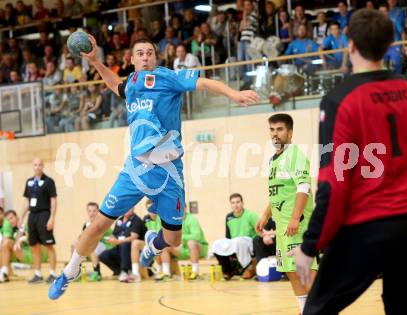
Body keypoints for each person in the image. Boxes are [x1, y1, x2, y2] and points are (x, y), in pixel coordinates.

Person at [49, 35, 259, 299]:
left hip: (169, 170)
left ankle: (153, 245)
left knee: (174, 240)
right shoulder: (133, 83)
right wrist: (95, 61)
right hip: (136, 169)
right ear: (133, 59)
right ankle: (70, 270)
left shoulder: (167, 77)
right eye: (140, 53)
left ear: (155, 57)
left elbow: (203, 82)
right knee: (97, 225)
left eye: (150, 52)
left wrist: (233, 94)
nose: (145, 57)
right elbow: (115, 84)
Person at [293, 9, 407, 315]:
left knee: (317, 309)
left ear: (350, 45)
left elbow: (333, 183)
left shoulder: (339, 100)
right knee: (405, 308)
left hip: (367, 225)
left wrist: (310, 245)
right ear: (389, 45)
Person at [256, 113, 317, 314]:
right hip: (282, 228)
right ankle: (304, 310)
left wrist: (294, 218)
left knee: (305, 272)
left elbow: (303, 188)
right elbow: (279, 192)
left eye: (280, 129)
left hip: (298, 225)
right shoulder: (274, 159)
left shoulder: (295, 155)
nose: (275, 134)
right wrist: (266, 215)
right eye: (272, 129)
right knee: (291, 272)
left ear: (289, 132)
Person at [20, 158, 58, 284]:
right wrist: (21, 217)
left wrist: (52, 217)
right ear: (33, 166)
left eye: (40, 164)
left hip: (44, 214)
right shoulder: (29, 182)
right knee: (34, 245)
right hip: (32, 216)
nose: (37, 167)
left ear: (43, 166)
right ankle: (37, 273)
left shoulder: (48, 181)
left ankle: (52, 273)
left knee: (48, 244)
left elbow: (53, 200)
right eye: (35, 164)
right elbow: (26, 201)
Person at [212, 193, 259, 280]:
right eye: (233, 203)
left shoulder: (251, 215)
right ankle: (227, 271)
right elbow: (228, 235)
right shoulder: (229, 217)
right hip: (234, 241)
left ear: (242, 203)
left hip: (249, 241)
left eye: (238, 202)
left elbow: (259, 230)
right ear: (230, 204)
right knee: (217, 244)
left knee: (238, 241)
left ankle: (249, 267)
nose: (235, 205)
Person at [158, 209, 208, 281]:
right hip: (182, 249)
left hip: (199, 248)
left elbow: (197, 236)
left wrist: (180, 237)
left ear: (185, 209)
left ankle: (195, 272)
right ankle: (166, 273)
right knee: (164, 246)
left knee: (191, 243)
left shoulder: (192, 219)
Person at [98, 208, 144, 282]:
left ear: (133, 209)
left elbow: (134, 237)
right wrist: (110, 239)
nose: (127, 210)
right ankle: (120, 272)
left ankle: (125, 271)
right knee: (103, 255)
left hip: (131, 249)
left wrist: (119, 241)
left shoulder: (136, 220)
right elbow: (114, 234)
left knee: (124, 244)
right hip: (119, 247)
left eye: (129, 208)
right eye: (126, 208)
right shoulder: (120, 220)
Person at [74, 202, 113, 282]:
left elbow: (96, 237)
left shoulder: (101, 222)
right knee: (75, 245)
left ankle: (97, 273)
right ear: (87, 212)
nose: (92, 213)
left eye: (94, 211)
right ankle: (76, 272)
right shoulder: (87, 223)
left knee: (92, 247)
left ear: (98, 211)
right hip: (96, 243)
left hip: (107, 244)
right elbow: (81, 237)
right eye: (90, 211)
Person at [0, 210, 35, 282]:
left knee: (7, 243)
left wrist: (22, 238)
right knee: (3, 248)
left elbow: (32, 241)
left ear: (17, 217)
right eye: (8, 220)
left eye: (11, 218)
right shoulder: (8, 229)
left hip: (27, 254)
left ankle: (4, 272)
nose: (10, 221)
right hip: (16, 254)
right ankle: (7, 274)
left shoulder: (24, 226)